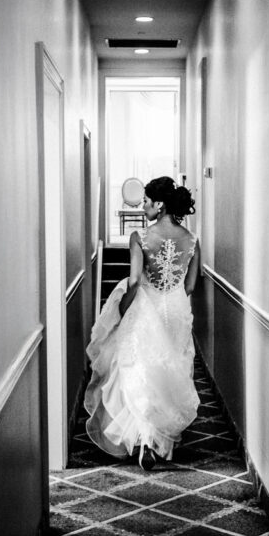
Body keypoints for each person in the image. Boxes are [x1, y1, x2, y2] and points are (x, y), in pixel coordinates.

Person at [84, 176, 201, 470]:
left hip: (146, 305)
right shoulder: (192, 240)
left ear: (159, 204)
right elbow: (190, 286)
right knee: (170, 368)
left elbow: (135, 281)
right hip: (176, 309)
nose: (144, 207)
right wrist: (172, 297)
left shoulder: (141, 237)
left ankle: (144, 440)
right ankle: (162, 440)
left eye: (147, 201)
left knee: (139, 370)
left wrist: (122, 309)